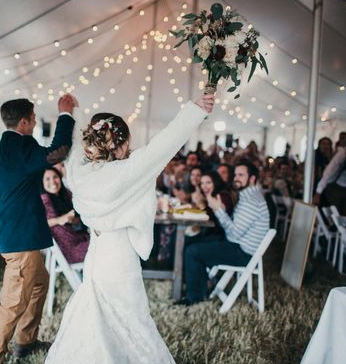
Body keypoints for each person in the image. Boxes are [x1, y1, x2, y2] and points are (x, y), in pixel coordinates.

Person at [45, 94, 214, 363]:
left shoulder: (77, 170)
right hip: (119, 255)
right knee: (131, 318)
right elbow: (165, 144)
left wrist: (70, 113)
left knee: (94, 313)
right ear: (121, 143)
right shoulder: (128, 171)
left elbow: (75, 144)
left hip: (96, 253)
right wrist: (195, 111)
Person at [0, 95, 76, 364]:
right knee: (11, 306)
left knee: (39, 284)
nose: (33, 123)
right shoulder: (24, 150)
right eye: (32, 119)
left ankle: (25, 342)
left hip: (13, 237)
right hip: (21, 242)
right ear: (23, 122)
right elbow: (60, 151)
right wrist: (65, 114)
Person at [178, 160, 270, 306]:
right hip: (238, 245)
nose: (236, 178)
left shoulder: (252, 201)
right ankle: (200, 290)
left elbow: (234, 233)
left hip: (244, 253)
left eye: (241, 175)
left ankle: (194, 297)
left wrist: (218, 210)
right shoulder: (248, 196)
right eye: (235, 175)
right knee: (192, 243)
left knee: (192, 251)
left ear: (252, 179)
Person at [40, 167, 89, 263]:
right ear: (42, 183)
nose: (53, 181)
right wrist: (59, 220)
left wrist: (74, 220)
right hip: (71, 251)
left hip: (80, 239)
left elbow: (78, 217)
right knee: (104, 245)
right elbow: (39, 225)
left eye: (55, 177)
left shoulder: (66, 194)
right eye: (47, 179)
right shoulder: (44, 200)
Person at [313, 133, 346, 216]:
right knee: (337, 215)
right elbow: (329, 171)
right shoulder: (343, 153)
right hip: (336, 188)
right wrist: (318, 193)